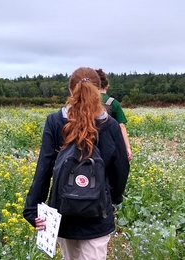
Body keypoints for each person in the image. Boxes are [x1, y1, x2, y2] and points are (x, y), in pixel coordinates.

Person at [23, 67, 130, 260]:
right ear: (99, 91)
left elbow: (44, 169)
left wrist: (32, 210)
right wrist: (112, 199)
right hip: (98, 215)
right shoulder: (110, 124)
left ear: (71, 90)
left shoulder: (55, 121)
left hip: (63, 213)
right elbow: (121, 169)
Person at [95, 69, 132, 161]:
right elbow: (121, 126)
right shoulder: (113, 103)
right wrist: (127, 148)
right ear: (107, 86)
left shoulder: (87, 102)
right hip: (109, 146)